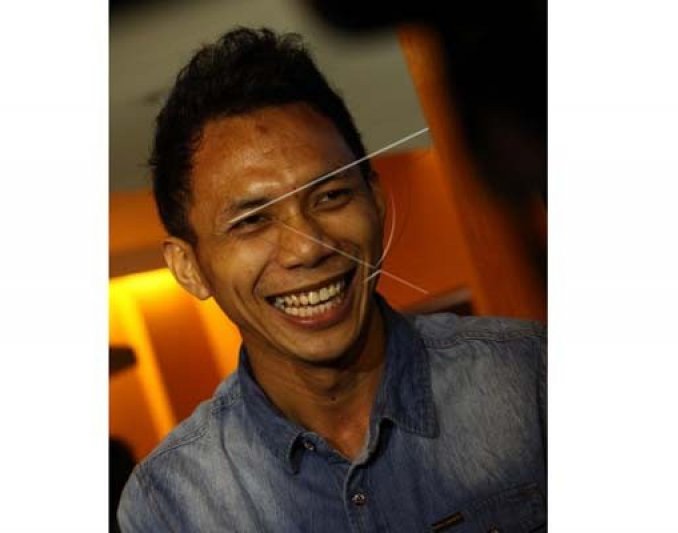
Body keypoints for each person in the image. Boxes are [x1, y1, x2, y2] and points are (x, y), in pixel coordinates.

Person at [118, 27, 546, 532]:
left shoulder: (531, 378)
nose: (307, 247)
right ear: (189, 267)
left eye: (331, 196)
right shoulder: (169, 504)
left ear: (376, 202)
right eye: (252, 220)